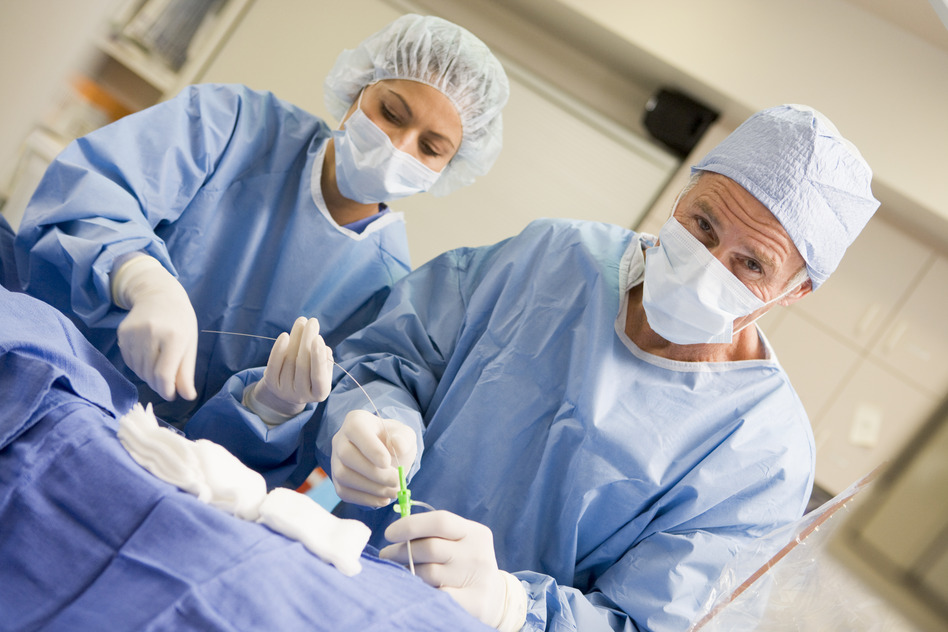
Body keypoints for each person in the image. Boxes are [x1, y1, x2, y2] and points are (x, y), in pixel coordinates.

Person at [185, 104, 880, 631]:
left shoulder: (762, 453)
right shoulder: (554, 256)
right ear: (685, 191)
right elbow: (394, 355)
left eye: (750, 264)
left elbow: (648, 622)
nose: (708, 263)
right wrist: (374, 421)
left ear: (796, 291)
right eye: (702, 223)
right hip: (327, 572)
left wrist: (511, 602)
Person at [13, 13, 509, 427]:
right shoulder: (233, 125)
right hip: (39, 365)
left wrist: (269, 407)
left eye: (430, 147)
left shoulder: (385, 293)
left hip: (154, 457)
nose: (398, 148)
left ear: (449, 169)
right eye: (392, 113)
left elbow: (271, 452)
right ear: (360, 88)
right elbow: (91, 193)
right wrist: (137, 276)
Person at [0, 285, 495, 632]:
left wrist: (517, 606)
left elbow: (306, 501)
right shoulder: (412, 332)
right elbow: (302, 491)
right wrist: (268, 409)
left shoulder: (379, 279)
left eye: (431, 147)